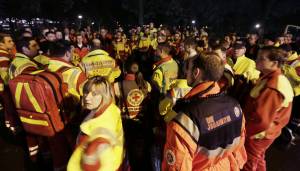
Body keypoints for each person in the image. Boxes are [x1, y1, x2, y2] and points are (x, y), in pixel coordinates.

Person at [162, 53, 247, 170]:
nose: (186, 73)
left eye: (188, 69)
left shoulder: (185, 120)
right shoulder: (236, 106)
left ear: (196, 72)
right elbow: (239, 150)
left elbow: (177, 167)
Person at [243, 47, 294, 171]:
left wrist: (244, 133)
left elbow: (262, 121)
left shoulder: (272, 86)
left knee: (248, 162)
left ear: (274, 63)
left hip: (257, 135)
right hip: (266, 133)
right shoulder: (271, 78)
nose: (256, 60)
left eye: (261, 58)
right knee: (258, 158)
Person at [67, 76, 124, 171]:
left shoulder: (103, 127)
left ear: (105, 95)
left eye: (94, 94)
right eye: (86, 92)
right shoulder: (98, 109)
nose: (87, 97)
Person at [114, 61, 152, 170]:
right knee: (142, 152)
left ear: (125, 71)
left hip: (126, 123)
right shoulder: (146, 84)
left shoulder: (117, 85)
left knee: (128, 152)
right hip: (142, 122)